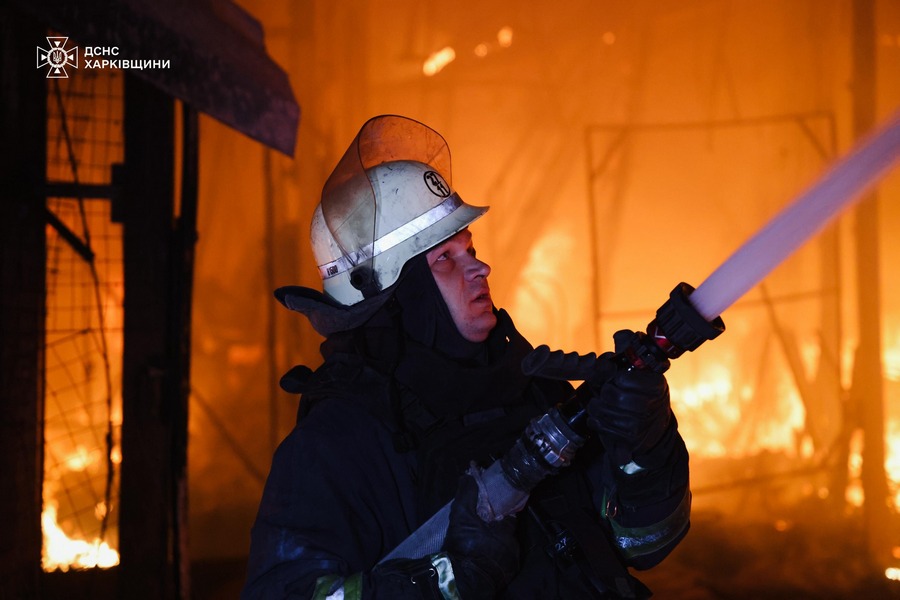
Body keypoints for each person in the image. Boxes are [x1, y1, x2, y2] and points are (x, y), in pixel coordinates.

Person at [242, 115, 692, 599]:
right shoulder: (336, 447)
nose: (481, 267)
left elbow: (645, 543)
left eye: (470, 249)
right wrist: (448, 580)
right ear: (400, 296)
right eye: (445, 259)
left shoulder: (534, 392)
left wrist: (647, 444)